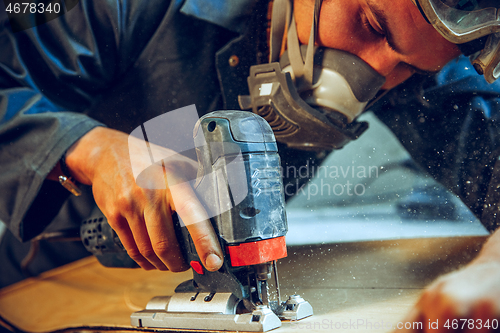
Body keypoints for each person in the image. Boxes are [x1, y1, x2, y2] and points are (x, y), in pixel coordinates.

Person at [0, 0, 499, 331]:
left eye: (410, 67)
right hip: (47, 274)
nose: (369, 77)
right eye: (367, 23)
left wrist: (493, 272)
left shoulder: (411, 53)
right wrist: (89, 147)